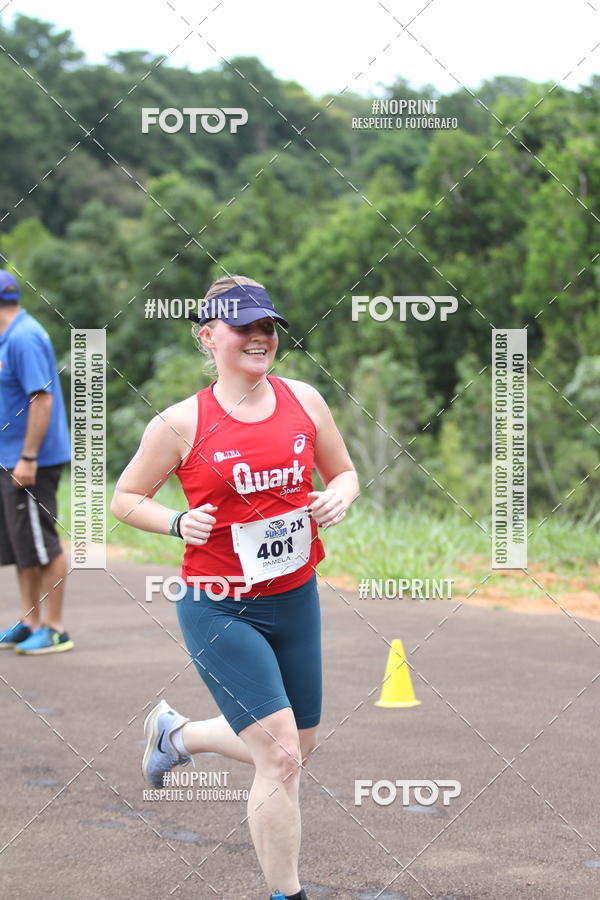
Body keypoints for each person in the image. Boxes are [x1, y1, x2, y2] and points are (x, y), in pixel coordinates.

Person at [111, 275, 359, 900]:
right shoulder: (181, 423)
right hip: (219, 605)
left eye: (267, 326)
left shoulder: (305, 400)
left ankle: (177, 734)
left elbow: (347, 472)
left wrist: (338, 497)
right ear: (208, 336)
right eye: (243, 327)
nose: (258, 337)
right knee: (279, 758)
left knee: (298, 746)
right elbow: (125, 498)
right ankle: (288, 894)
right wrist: (174, 520)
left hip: (295, 599)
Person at [0, 270, 73, 653]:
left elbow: (40, 400)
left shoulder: (24, 338)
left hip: (30, 462)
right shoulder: (8, 337)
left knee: (42, 544)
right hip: (10, 458)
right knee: (21, 545)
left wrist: (28, 458)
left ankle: (55, 627)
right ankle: (30, 622)